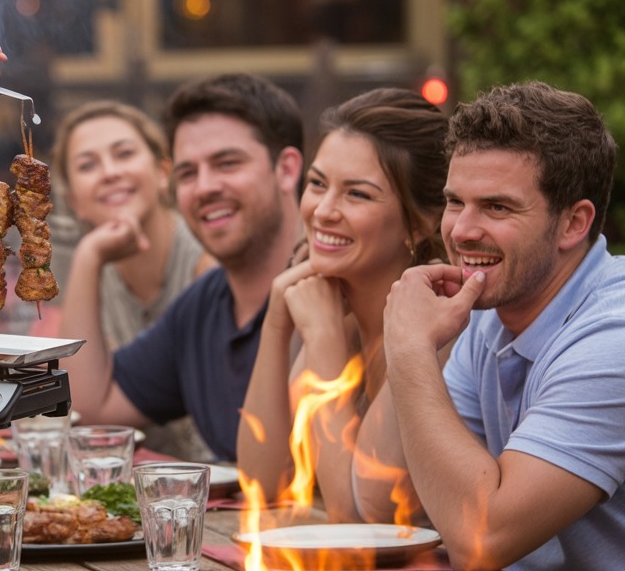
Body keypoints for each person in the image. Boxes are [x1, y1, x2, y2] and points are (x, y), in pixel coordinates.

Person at [382, 81, 625, 571]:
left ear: (574, 223)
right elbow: (389, 498)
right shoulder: (490, 313)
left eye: (497, 207)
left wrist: (411, 352)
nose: (461, 230)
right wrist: (419, 346)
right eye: (454, 201)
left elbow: (480, 535)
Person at [62, 74, 304, 462]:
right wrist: (88, 257)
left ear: (287, 170)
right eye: (189, 173)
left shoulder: (334, 294)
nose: (205, 186)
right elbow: (90, 415)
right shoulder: (199, 309)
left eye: (227, 163)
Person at [237, 88, 447, 521]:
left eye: (358, 194)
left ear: (423, 222)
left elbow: (356, 523)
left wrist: (323, 338)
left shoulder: (440, 327)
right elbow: (263, 486)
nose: (323, 211)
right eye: (317, 184)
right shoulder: (330, 303)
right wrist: (277, 324)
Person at [34, 100, 215, 459]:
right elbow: (81, 413)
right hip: (133, 484)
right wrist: (89, 257)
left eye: (124, 154)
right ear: (75, 202)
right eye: (88, 165)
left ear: (164, 172)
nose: (109, 172)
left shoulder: (207, 262)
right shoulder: (88, 270)